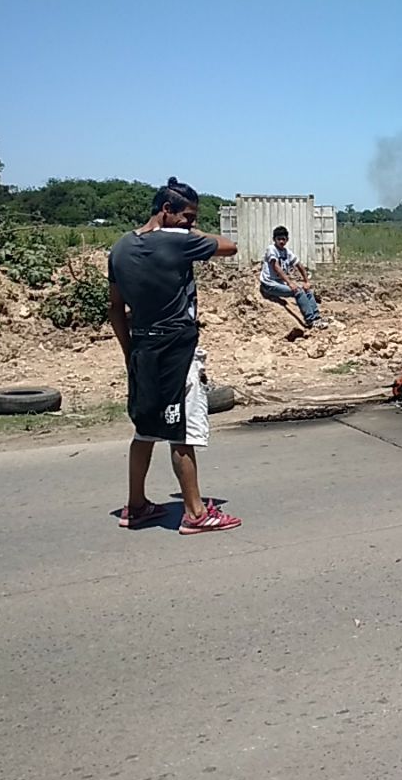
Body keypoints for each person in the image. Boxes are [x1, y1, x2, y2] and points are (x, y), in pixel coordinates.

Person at [107, 177, 243, 534]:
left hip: (142, 346)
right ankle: (196, 513)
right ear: (166, 211)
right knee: (182, 430)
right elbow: (230, 248)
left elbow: (115, 309)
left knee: (145, 429)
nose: (191, 224)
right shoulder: (176, 243)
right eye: (188, 216)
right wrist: (190, 235)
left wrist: (129, 351)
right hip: (176, 348)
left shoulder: (119, 247)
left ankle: (136, 506)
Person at [260, 225, 327, 329]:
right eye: (279, 239)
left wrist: (306, 281)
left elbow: (299, 265)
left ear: (287, 240)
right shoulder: (271, 249)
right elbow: (276, 266)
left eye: (283, 239)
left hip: (280, 283)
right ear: (274, 239)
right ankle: (310, 320)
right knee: (298, 291)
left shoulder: (286, 252)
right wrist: (289, 282)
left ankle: (317, 318)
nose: (281, 241)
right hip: (269, 284)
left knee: (307, 290)